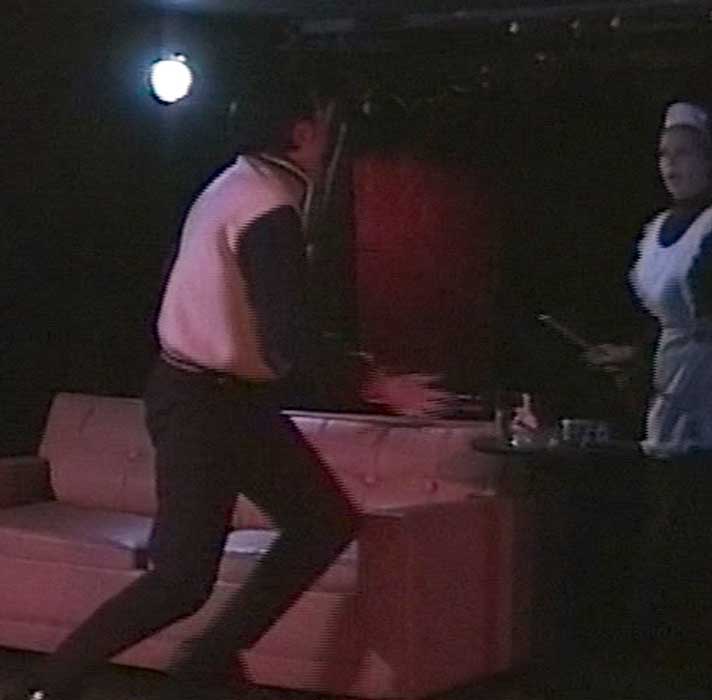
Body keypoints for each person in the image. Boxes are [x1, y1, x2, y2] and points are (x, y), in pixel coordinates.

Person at [7, 72, 450, 700]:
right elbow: (287, 342)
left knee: (321, 522)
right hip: (202, 401)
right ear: (302, 134)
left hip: (228, 397)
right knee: (182, 580)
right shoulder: (265, 206)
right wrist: (377, 384)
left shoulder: (241, 181)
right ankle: (46, 687)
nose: (335, 138)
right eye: (326, 124)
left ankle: (208, 658)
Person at [585, 100, 712, 698]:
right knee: (662, 525)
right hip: (669, 381)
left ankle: (698, 668)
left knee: (696, 526)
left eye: (684, 154)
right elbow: (663, 321)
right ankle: (656, 663)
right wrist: (632, 355)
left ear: (711, 160)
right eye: (664, 154)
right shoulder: (657, 230)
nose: (672, 165)